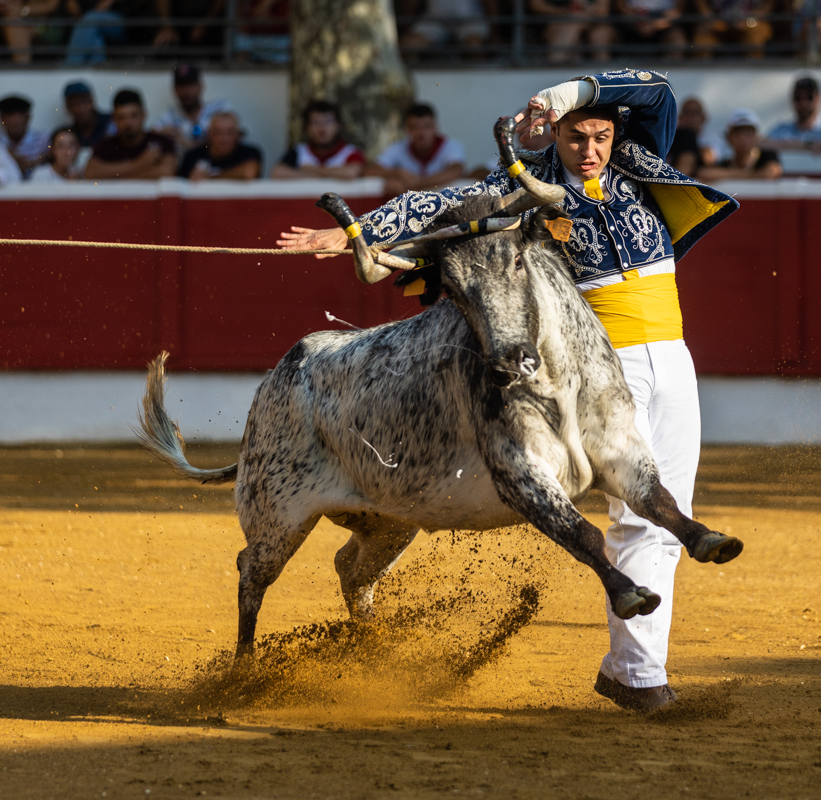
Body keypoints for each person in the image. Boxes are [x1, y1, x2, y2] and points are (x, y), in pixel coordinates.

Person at [278, 69, 739, 713]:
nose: (590, 149)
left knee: (667, 513)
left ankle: (631, 669)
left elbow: (656, 89)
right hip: (602, 365)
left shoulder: (638, 164)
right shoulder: (523, 184)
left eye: (601, 136)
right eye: (577, 137)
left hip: (673, 356)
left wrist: (563, 95)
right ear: (556, 138)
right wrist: (358, 234)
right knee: (637, 516)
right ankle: (639, 676)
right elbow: (438, 204)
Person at [367, 102, 466, 195]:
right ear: (407, 129)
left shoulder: (450, 146)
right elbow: (370, 171)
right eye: (415, 127)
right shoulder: (399, 147)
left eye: (426, 126)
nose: (421, 133)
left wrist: (410, 187)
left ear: (435, 127)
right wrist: (398, 173)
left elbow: (456, 171)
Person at [84, 89, 176, 180]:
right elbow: (91, 173)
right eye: (121, 117)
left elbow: (166, 172)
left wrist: (116, 177)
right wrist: (140, 163)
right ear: (114, 119)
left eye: (134, 116)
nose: (128, 123)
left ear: (144, 115)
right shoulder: (105, 146)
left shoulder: (162, 143)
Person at [270, 100, 365, 180]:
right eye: (316, 123)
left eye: (328, 122)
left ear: (338, 126)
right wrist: (331, 174)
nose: (322, 129)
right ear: (307, 128)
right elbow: (277, 173)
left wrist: (309, 169)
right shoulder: (298, 152)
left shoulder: (351, 152)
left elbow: (351, 173)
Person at [153, 62, 234, 154]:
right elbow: (150, 141)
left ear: (200, 86)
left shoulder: (219, 108)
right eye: (181, 85)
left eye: (191, 84)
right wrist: (159, 136)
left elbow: (236, 139)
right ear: (174, 89)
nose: (186, 91)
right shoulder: (169, 116)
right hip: (184, 167)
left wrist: (188, 144)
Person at [763, 76, 821, 154]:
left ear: (819, 99)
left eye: (809, 97)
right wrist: (808, 146)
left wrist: (793, 146)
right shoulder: (782, 129)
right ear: (792, 101)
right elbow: (761, 144)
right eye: (798, 97)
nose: (803, 103)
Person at [697, 109, 782, 180]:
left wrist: (731, 175)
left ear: (756, 137)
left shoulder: (767, 155)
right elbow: (704, 173)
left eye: (748, 133)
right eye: (737, 134)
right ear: (729, 137)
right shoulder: (725, 162)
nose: (743, 139)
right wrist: (750, 175)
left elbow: (771, 172)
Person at [176, 110, 261, 181]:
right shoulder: (193, 156)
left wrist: (209, 178)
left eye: (229, 133)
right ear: (209, 134)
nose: (224, 139)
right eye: (218, 133)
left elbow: (249, 173)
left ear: (237, 135)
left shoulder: (249, 153)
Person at [526, 0, 615, 63]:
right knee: (571, 28)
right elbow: (536, 5)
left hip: (594, 22)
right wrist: (560, 11)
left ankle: (605, 79)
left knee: (599, 36)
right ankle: (555, 65)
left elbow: (602, 11)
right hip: (557, 21)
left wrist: (585, 6)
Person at [0, 95, 50, 178]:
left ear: (28, 117)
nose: (16, 120)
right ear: (1, 118)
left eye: (20, 113)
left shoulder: (43, 140)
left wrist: (33, 162)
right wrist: (9, 156)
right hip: (3, 189)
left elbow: (55, 158)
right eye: (10, 114)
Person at [399, 0, 491, 57]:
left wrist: (495, 32)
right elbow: (410, 2)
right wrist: (407, 27)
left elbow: (490, 2)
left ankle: (476, 84)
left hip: (470, 20)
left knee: (474, 46)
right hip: (434, 20)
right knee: (408, 46)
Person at [691, 0, 774, 58]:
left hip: (751, 21)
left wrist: (752, 19)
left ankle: (755, 71)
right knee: (702, 40)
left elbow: (767, 6)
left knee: (755, 38)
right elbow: (703, 7)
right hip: (718, 21)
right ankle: (700, 71)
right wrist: (708, 15)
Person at [665, 96, 717, 176]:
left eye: (696, 113)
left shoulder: (714, 139)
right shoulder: (668, 137)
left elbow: (709, 158)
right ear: (679, 117)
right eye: (687, 113)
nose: (692, 118)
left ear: (704, 118)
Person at [617, 0, 686, 59]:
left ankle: (673, 71)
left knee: (676, 39)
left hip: (663, 20)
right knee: (608, 34)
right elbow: (621, 7)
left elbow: (678, 11)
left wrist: (655, 25)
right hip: (632, 20)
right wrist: (635, 19)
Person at [60, 81, 115, 149]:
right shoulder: (71, 134)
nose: (79, 108)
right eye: (73, 104)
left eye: (83, 102)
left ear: (92, 101)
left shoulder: (112, 122)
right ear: (67, 107)